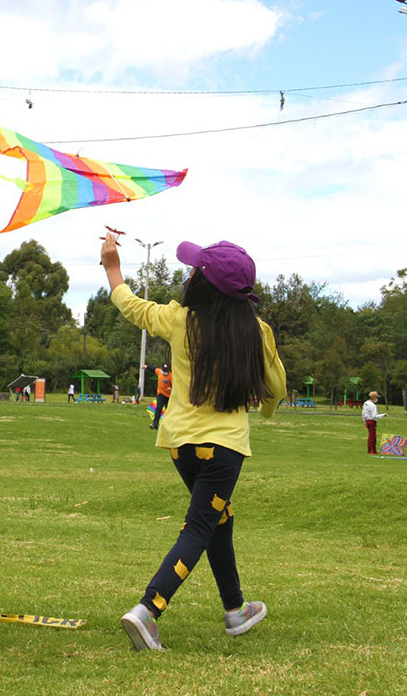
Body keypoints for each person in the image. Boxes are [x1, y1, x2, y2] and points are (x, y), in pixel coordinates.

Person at [101, 236, 286, 652]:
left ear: (203, 284)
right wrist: (267, 410)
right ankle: (148, 609)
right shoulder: (257, 331)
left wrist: (111, 265)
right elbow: (276, 386)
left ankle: (235, 609)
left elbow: (131, 305)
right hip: (225, 448)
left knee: (219, 519)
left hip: (180, 445)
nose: (188, 275)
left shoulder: (179, 319)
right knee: (202, 524)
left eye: (194, 270)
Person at [145, 364, 173, 429]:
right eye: (163, 370)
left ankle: (169, 425)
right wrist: (146, 367)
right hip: (160, 394)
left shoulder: (171, 376)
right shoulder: (159, 372)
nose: (164, 372)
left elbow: (175, 385)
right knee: (158, 409)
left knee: (168, 410)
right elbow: (153, 368)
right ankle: (155, 424)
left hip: (168, 396)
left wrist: (171, 388)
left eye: (166, 371)